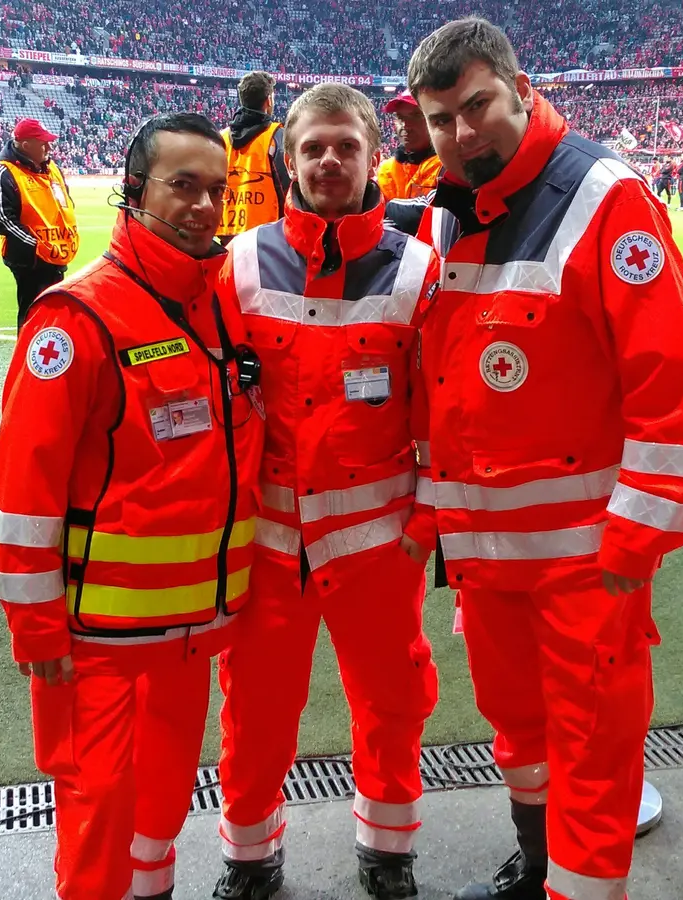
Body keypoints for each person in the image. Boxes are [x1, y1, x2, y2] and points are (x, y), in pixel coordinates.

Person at [388, 18, 683, 900]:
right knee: (519, 733)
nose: (462, 132)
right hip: (488, 561)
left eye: (478, 105)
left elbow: (668, 382)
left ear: (523, 92)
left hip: (584, 562)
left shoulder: (608, 199)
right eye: (442, 118)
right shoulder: (456, 206)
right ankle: (538, 871)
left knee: (594, 752)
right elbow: (447, 380)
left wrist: (633, 544)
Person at [0, 112, 265, 900]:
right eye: (184, 186)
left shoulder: (221, 304)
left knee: (163, 801)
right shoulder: (74, 319)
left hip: (192, 632)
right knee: (100, 809)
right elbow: (25, 489)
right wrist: (35, 624)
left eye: (217, 189)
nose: (205, 207)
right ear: (136, 191)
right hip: (97, 639)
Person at [213, 83, 441, 900]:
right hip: (268, 544)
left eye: (346, 145)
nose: (330, 161)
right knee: (255, 711)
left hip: (379, 546)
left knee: (393, 704)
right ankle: (248, 856)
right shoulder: (240, 261)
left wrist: (424, 523)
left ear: (375, 153)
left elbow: (440, 409)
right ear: (288, 157)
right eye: (313, 147)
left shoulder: (419, 268)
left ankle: (388, 853)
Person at [0, 117, 80, 324]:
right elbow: (2, 219)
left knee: (54, 314)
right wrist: (36, 245)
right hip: (30, 261)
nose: (49, 147)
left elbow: (66, 201)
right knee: (33, 316)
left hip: (57, 254)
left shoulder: (52, 167)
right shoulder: (4, 171)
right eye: (43, 143)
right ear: (26, 145)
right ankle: (27, 346)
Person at [218, 71, 290, 244]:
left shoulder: (220, 138)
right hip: (267, 235)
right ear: (269, 100)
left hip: (226, 233)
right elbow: (287, 188)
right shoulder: (275, 136)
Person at [378, 90, 443, 200]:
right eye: (400, 117)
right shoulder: (387, 170)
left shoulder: (447, 167)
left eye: (416, 116)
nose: (405, 125)